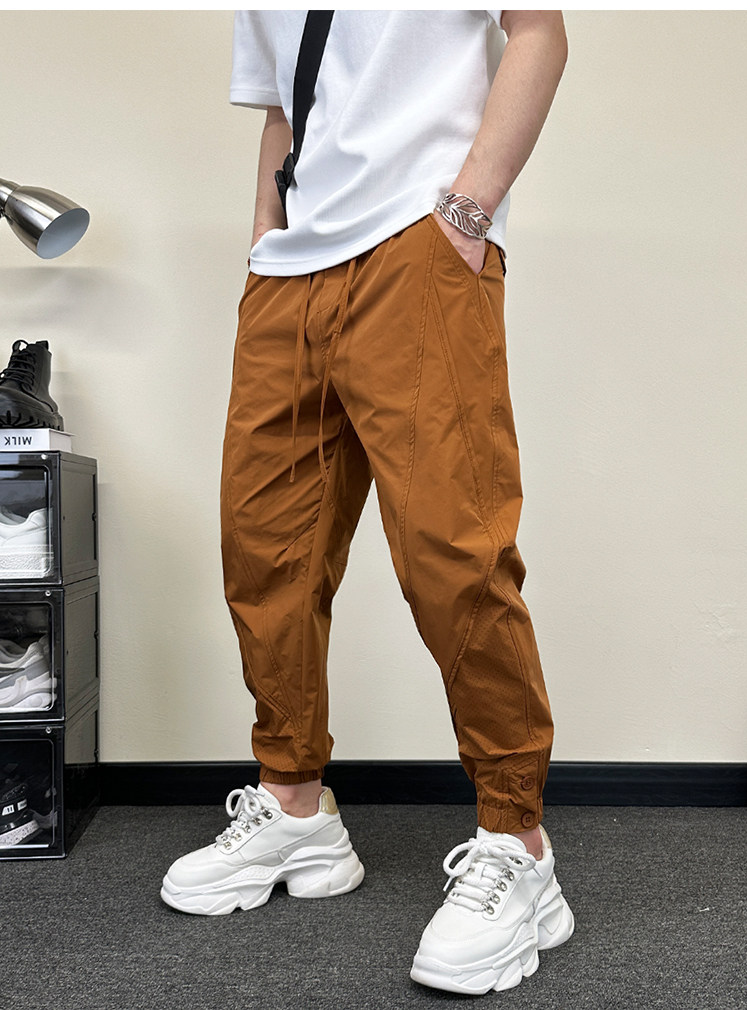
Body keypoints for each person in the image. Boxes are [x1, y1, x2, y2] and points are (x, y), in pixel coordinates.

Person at [162, 10, 572, 995]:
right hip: (290, 275)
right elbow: (285, 113)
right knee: (265, 550)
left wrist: (467, 216)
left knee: (451, 552)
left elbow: (540, 32)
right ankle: (295, 805)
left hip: (416, 246)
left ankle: (518, 842)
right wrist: (263, 251)